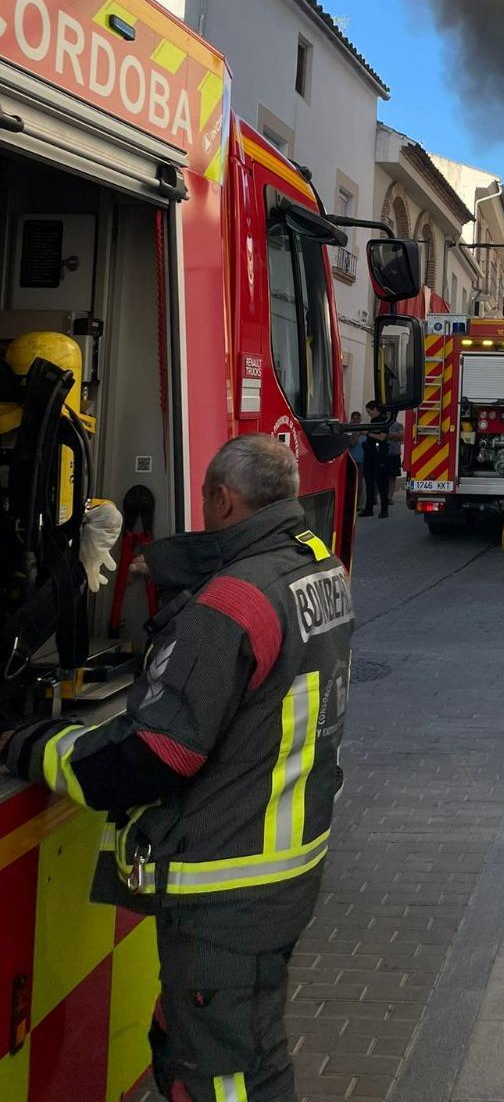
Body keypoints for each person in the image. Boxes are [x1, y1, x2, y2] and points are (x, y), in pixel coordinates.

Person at [0, 434, 353, 1102]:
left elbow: (151, 757)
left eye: (203, 502)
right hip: (282, 868)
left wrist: (27, 744)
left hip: (225, 886)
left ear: (221, 498)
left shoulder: (228, 607)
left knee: (225, 1077)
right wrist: (160, 569)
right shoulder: (316, 564)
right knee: (230, 1041)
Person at [360, 400, 391, 517]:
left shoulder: (384, 421)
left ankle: (384, 510)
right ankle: (369, 509)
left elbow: (382, 437)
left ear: (375, 409)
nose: (369, 414)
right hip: (370, 455)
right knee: (369, 483)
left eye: (369, 411)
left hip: (379, 456)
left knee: (382, 484)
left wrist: (368, 434)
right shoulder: (373, 421)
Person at [347, 410, 366, 510]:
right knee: (351, 482)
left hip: (361, 460)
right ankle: (350, 502)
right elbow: (351, 443)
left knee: (359, 483)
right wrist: (358, 433)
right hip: (351, 459)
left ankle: (358, 503)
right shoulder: (349, 429)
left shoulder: (362, 428)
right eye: (354, 419)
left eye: (358, 419)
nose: (356, 421)